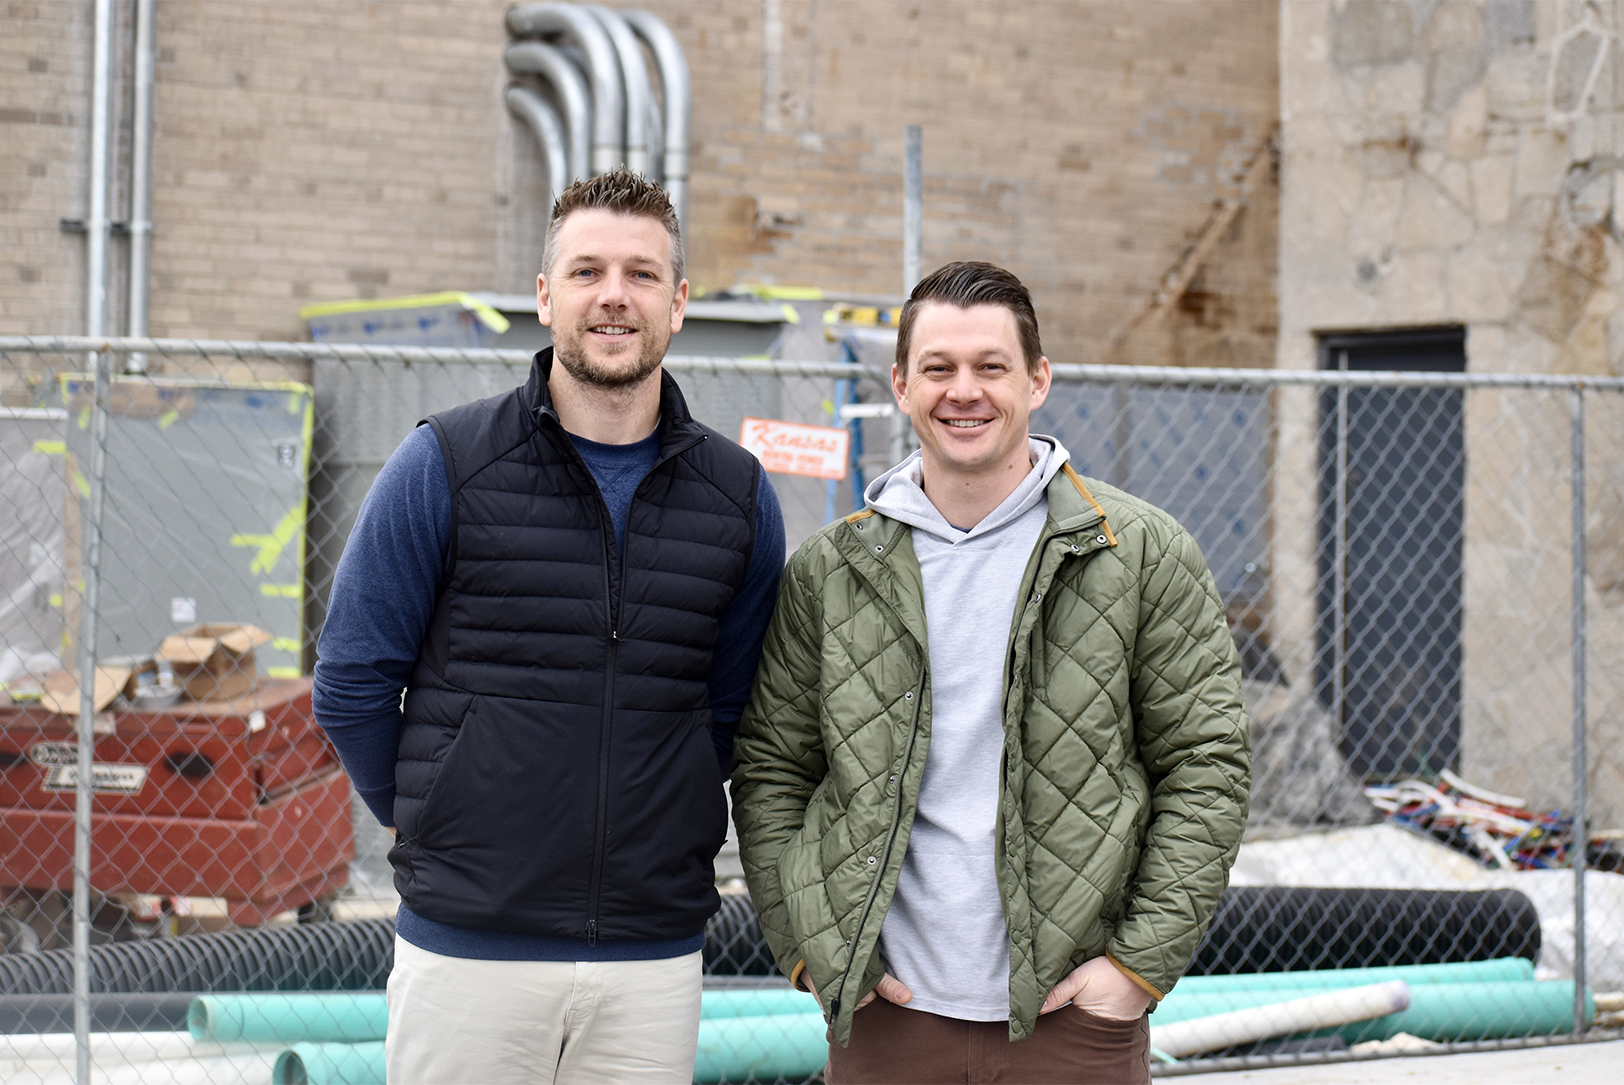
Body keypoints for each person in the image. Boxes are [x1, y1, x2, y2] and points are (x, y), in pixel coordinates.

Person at [313, 169, 785, 1084]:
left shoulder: (736, 494)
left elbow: (733, 708)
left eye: (642, 274)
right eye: (587, 271)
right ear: (544, 296)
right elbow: (352, 683)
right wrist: (428, 816)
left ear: (678, 302)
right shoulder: (445, 462)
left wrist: (656, 810)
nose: (614, 295)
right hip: (469, 948)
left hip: (652, 954)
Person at [731, 261, 1250, 1084]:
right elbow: (772, 769)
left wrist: (1136, 968)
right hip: (886, 1020)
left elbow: (1206, 765)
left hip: (1072, 1023)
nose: (963, 390)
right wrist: (811, 950)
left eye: (991, 366)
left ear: (1037, 380)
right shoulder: (831, 570)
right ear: (901, 384)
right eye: (938, 367)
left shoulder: (1142, 553)